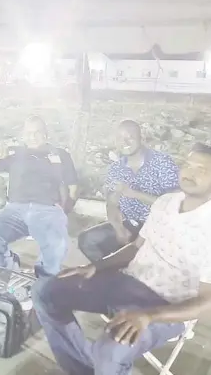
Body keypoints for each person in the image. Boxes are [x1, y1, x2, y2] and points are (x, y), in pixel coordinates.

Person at [32, 143, 211, 375]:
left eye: (202, 169)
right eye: (187, 165)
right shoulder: (166, 202)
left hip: (167, 307)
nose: (190, 172)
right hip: (128, 282)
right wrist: (96, 266)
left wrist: (149, 316)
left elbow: (207, 302)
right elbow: (136, 247)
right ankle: (80, 369)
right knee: (45, 291)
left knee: (110, 351)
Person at [0, 115, 78, 277]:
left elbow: (73, 186)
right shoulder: (14, 153)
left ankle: (43, 279)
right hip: (15, 210)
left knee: (57, 243)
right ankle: (9, 267)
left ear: (46, 134)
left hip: (48, 210)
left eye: (37, 132)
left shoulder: (60, 155)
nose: (33, 136)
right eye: (29, 133)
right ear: (23, 135)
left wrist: (65, 210)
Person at [78, 120, 179, 262]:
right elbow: (112, 204)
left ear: (141, 138)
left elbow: (174, 203)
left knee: (147, 259)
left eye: (129, 137)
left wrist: (135, 194)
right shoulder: (115, 169)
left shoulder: (162, 162)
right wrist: (118, 228)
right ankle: (111, 276)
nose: (124, 141)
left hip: (158, 227)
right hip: (129, 225)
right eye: (119, 138)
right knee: (87, 240)